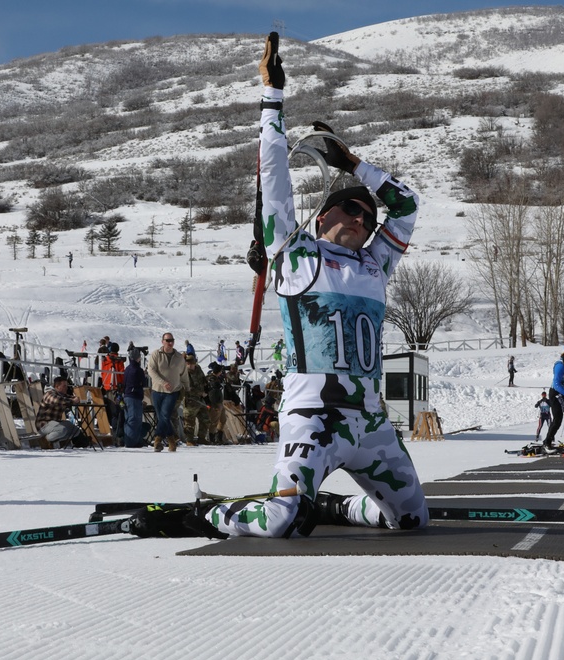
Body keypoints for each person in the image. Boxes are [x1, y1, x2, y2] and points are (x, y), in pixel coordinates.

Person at [128, 33, 428, 539]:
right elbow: (273, 175)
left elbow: (407, 205)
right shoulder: (295, 254)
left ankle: (340, 508)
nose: (361, 216)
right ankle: (208, 515)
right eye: (350, 206)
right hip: (312, 419)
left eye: (367, 214)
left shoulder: (376, 264)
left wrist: (354, 166)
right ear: (323, 212)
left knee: (414, 519)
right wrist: (272, 101)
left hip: (371, 423)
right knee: (281, 520)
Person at [147, 331, 189, 452]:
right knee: (162, 417)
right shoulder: (156, 354)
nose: (170, 343)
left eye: (172, 340)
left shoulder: (179, 358)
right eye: (168, 340)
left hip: (172, 392)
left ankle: (158, 440)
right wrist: (162, 382)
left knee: (165, 415)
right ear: (162, 341)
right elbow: (151, 371)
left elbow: (184, 374)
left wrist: (187, 387)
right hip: (157, 390)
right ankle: (172, 438)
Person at [34, 376, 90, 448]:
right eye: (64, 386)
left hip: (55, 423)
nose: (66, 388)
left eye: (67, 386)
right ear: (57, 386)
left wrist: (76, 399)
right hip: (44, 424)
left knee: (74, 429)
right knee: (62, 430)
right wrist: (72, 401)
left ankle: (81, 443)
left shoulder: (62, 395)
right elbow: (57, 400)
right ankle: (45, 440)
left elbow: (70, 398)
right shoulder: (49, 394)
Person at [121, 347, 147, 448]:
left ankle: (129, 440)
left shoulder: (127, 369)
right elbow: (143, 383)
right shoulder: (138, 370)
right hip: (135, 396)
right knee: (135, 419)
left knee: (129, 419)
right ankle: (132, 441)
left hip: (127, 395)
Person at [183, 353, 209, 446]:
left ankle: (201, 437)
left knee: (205, 418)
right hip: (190, 399)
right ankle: (189, 439)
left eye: (192, 363)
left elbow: (203, 379)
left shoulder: (198, 369)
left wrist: (206, 387)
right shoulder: (184, 372)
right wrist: (200, 393)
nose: (190, 365)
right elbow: (187, 388)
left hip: (200, 399)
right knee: (189, 421)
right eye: (188, 363)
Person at [205, 362, 228, 445]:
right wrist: (214, 404)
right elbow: (213, 393)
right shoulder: (212, 380)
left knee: (223, 420)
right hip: (215, 403)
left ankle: (219, 438)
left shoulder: (214, 379)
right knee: (214, 421)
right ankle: (212, 438)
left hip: (219, 402)